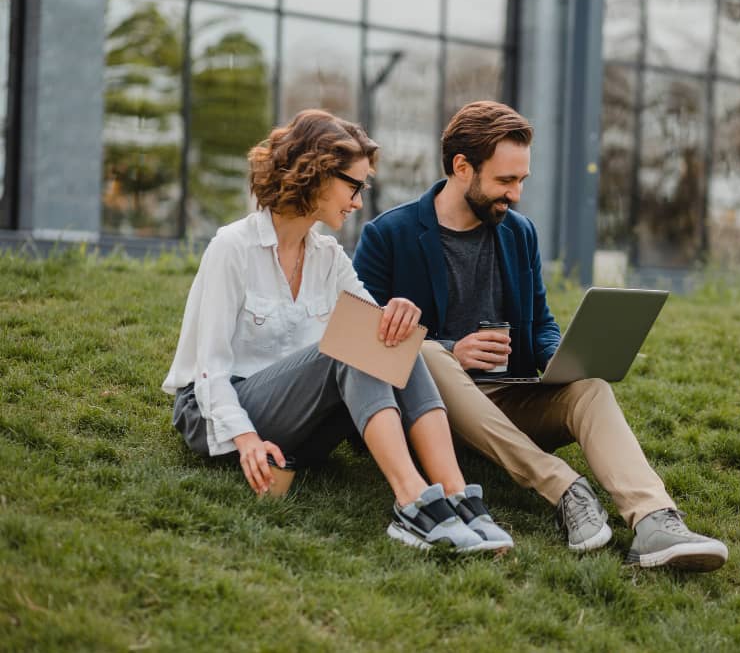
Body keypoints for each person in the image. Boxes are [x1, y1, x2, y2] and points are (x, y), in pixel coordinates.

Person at [353, 101, 728, 571]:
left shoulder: (519, 233)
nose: (516, 193)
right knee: (426, 353)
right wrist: (453, 350)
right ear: (462, 167)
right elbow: (360, 339)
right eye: (505, 181)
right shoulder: (389, 234)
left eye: (522, 180)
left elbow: (541, 321)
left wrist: (561, 357)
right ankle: (564, 487)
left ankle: (655, 520)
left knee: (589, 389)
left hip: (511, 396)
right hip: (436, 411)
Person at [161, 109, 512, 554]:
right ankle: (411, 503)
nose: (358, 202)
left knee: (393, 339)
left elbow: (379, 332)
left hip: (297, 418)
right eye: (353, 186)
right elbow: (208, 368)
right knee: (351, 345)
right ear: (317, 176)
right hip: (220, 409)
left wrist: (396, 313)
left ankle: (459, 498)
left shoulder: (328, 255)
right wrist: (245, 438)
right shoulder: (233, 248)